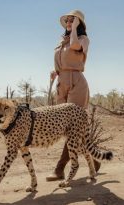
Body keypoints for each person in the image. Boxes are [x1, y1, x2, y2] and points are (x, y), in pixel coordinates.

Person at [46, 10, 99, 181]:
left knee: (72, 127)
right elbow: (63, 60)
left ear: (78, 24)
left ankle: (59, 168)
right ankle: (95, 162)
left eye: (72, 20)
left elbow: (76, 47)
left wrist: (76, 28)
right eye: (67, 20)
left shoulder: (82, 39)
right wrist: (56, 71)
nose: (68, 23)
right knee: (64, 126)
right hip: (62, 83)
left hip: (77, 83)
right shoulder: (61, 41)